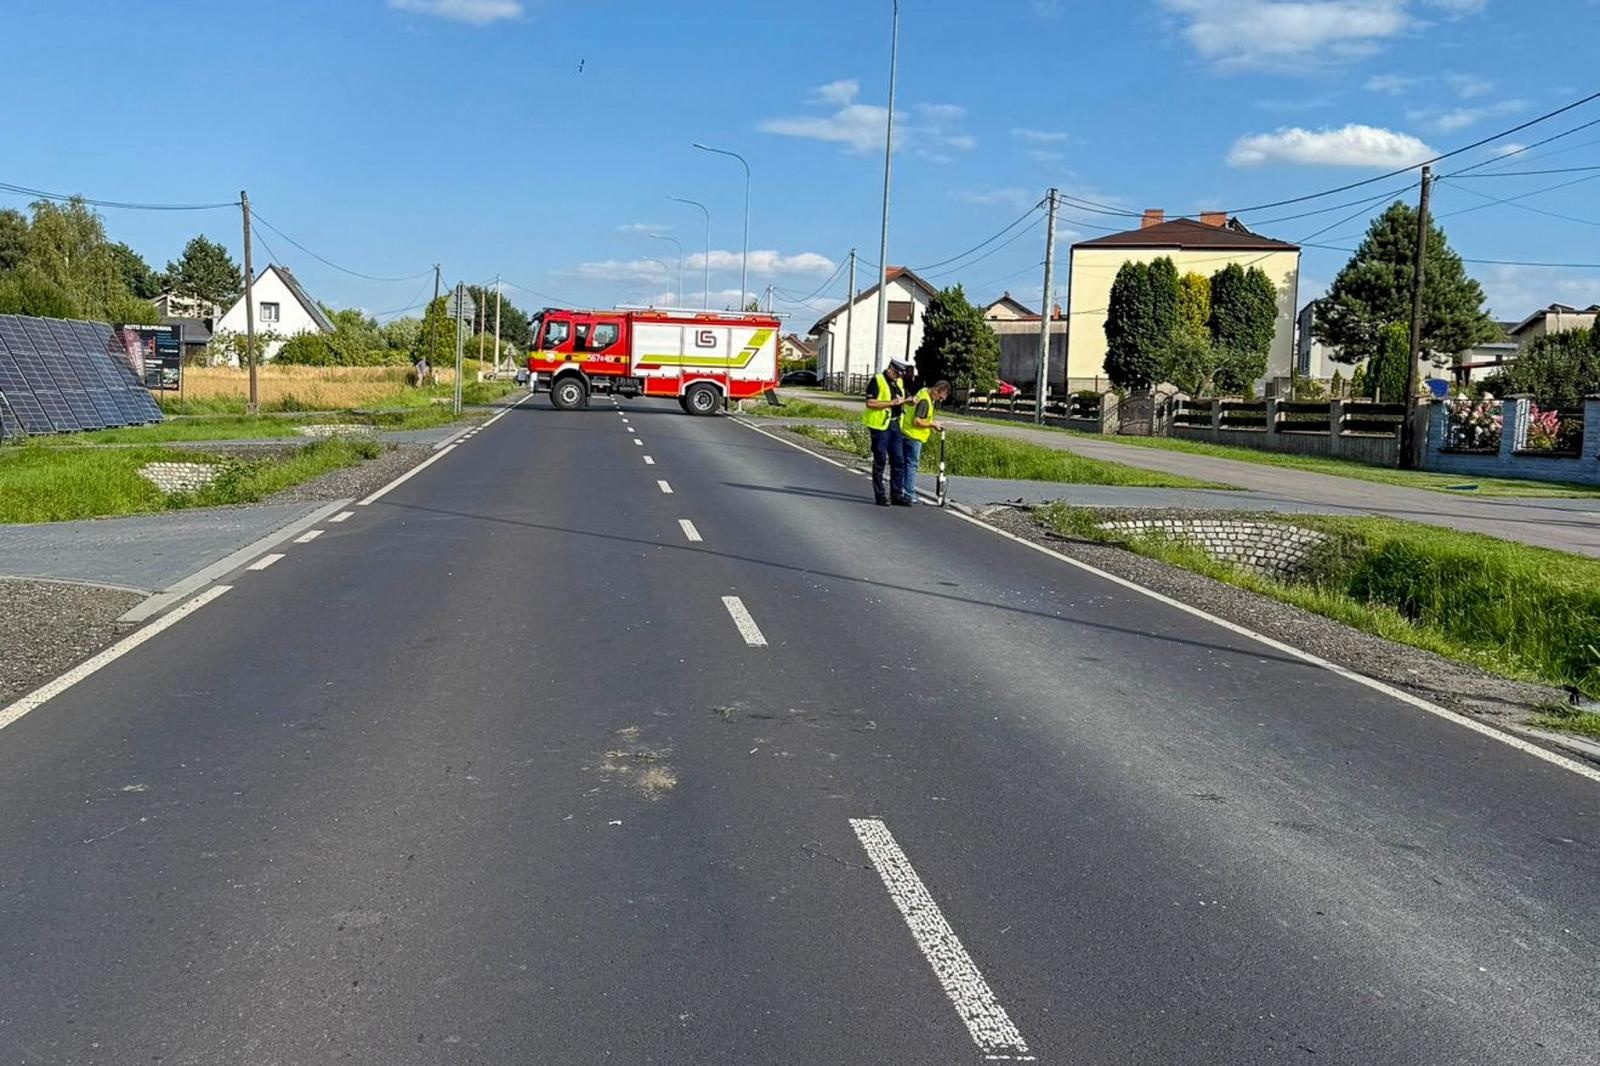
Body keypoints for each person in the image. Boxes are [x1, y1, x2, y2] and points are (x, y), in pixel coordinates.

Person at [862, 359, 911, 506]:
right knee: (880, 460)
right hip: (880, 427)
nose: (898, 377)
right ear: (890, 369)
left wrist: (908, 401)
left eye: (900, 375)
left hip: (895, 424)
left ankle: (896, 494)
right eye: (896, 373)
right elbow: (870, 403)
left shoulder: (899, 383)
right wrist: (891, 403)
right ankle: (880, 495)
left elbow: (900, 400)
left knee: (898, 461)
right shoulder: (877, 380)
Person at [897, 379, 950, 505]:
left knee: (904, 464)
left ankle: (901, 491)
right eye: (940, 397)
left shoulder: (924, 392)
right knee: (911, 465)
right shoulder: (925, 401)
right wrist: (932, 424)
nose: (940, 400)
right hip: (914, 436)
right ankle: (909, 493)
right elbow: (917, 421)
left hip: (906, 432)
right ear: (937, 391)